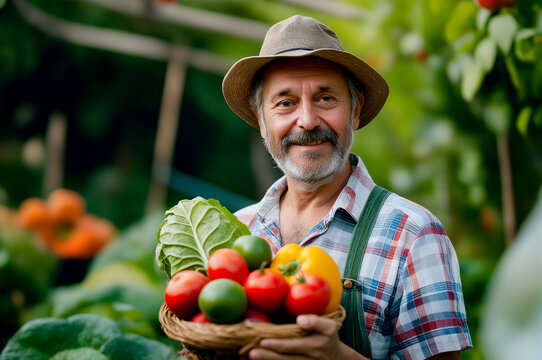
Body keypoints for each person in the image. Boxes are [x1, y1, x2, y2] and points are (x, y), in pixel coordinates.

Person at [222, 15, 472, 360]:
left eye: (326, 99)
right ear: (262, 122)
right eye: (285, 102)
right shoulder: (237, 233)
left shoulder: (414, 235)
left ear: (355, 112)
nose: (307, 121)